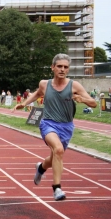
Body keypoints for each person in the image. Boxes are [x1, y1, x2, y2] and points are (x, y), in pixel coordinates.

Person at [13, 53, 97, 201]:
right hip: (48, 123)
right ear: (52, 67)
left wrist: (81, 99)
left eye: (65, 67)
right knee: (58, 149)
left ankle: (40, 168)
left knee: (54, 157)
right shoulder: (44, 84)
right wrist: (25, 103)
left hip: (66, 126)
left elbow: (93, 103)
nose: (62, 69)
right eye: (59, 66)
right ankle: (57, 189)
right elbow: (37, 94)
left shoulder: (74, 86)